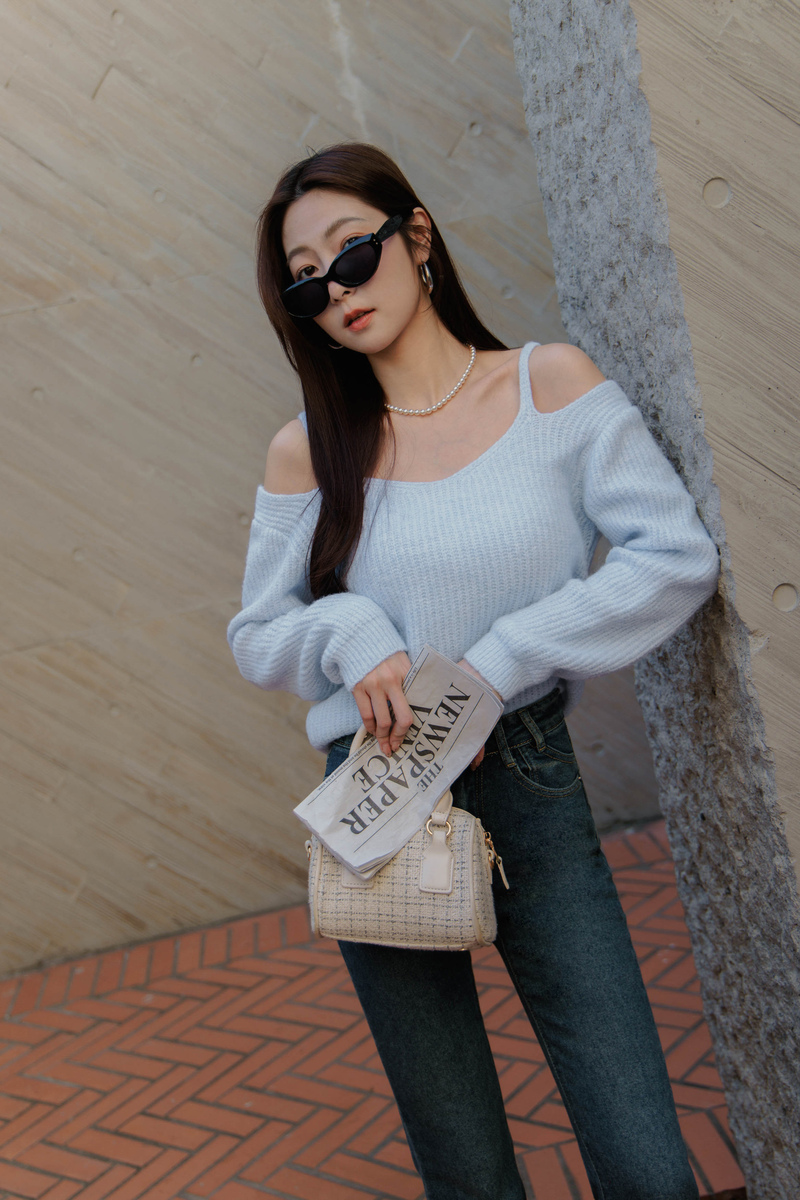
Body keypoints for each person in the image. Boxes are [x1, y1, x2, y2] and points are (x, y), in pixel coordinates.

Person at [227, 142, 719, 1200]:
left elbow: (674, 556)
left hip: (526, 773)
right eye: (306, 281)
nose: (335, 289)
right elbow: (259, 634)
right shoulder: (308, 449)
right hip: (380, 786)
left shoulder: (549, 387)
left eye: (350, 253)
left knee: (642, 1157)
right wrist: (351, 629)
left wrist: (505, 655)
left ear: (416, 236)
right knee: (465, 1167)